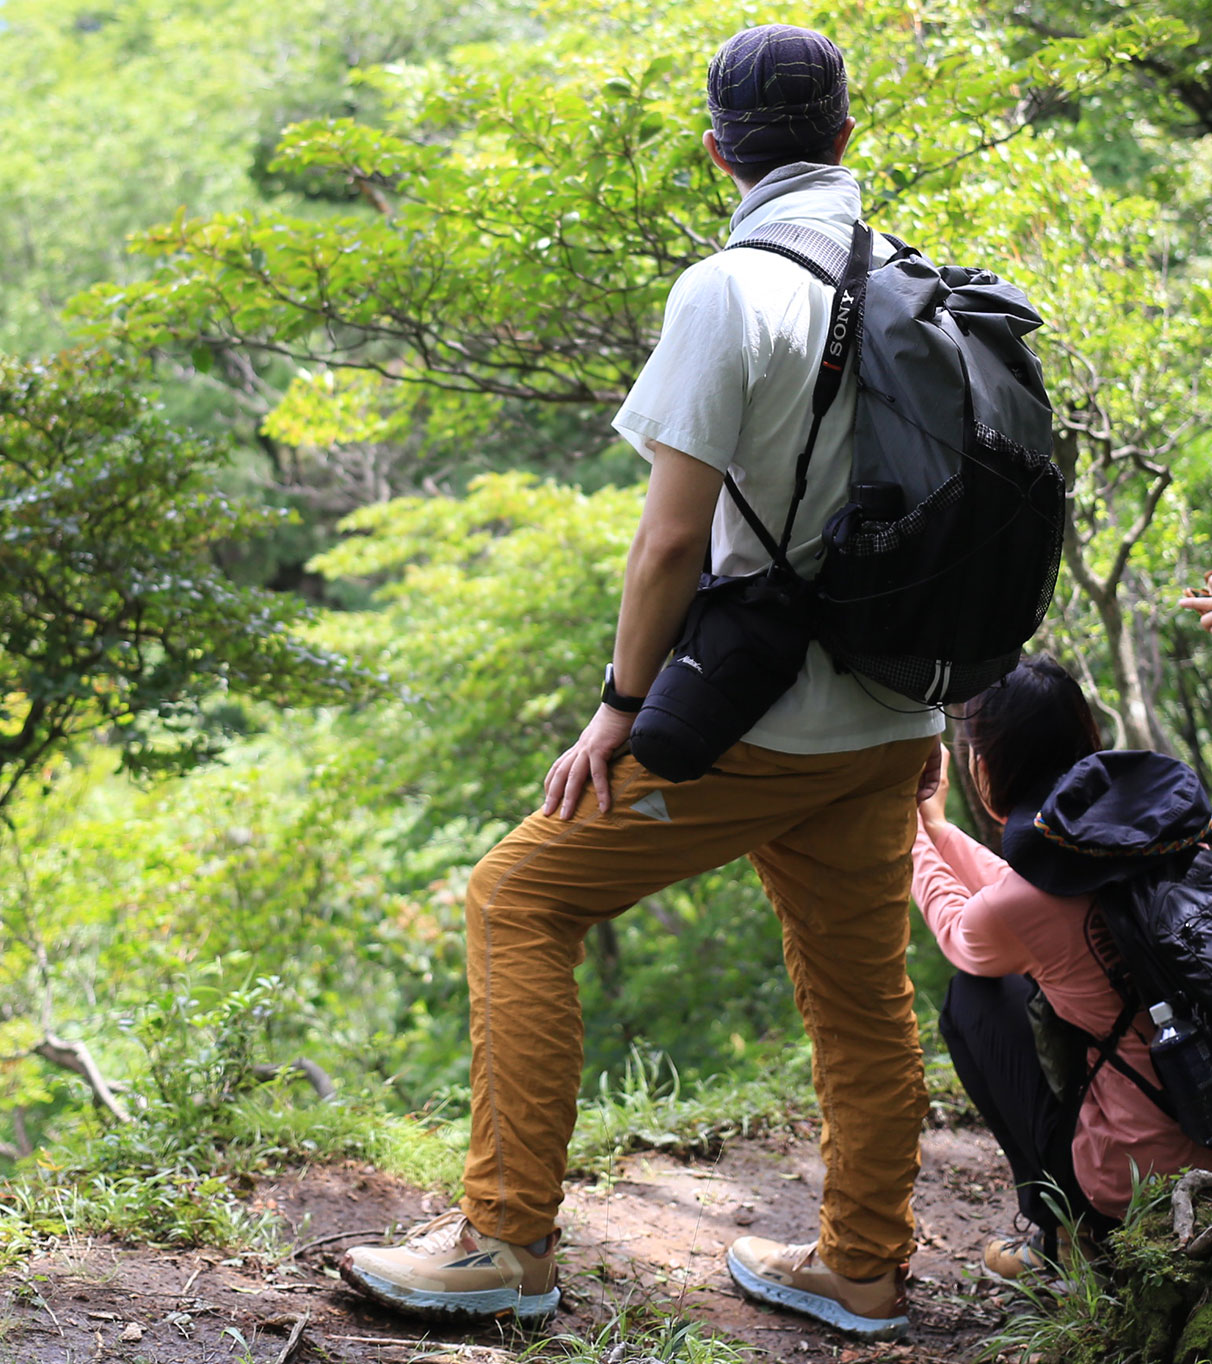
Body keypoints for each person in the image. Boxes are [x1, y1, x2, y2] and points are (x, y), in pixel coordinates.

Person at [339, 24, 944, 1342]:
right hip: (894, 713)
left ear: (717, 150)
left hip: (761, 717)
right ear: (847, 139)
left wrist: (620, 709)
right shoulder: (912, 281)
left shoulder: (733, 288)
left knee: (517, 900)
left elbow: (673, 536)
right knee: (861, 999)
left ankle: (503, 1240)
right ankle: (860, 1264)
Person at [913, 653, 1212, 1277]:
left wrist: (912, 831)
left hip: (1142, 1175)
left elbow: (964, 928)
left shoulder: (1025, 905)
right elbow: (1019, 901)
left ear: (987, 765)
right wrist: (941, 832)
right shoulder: (1167, 833)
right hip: (1200, 1106)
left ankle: (1064, 1233)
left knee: (974, 997)